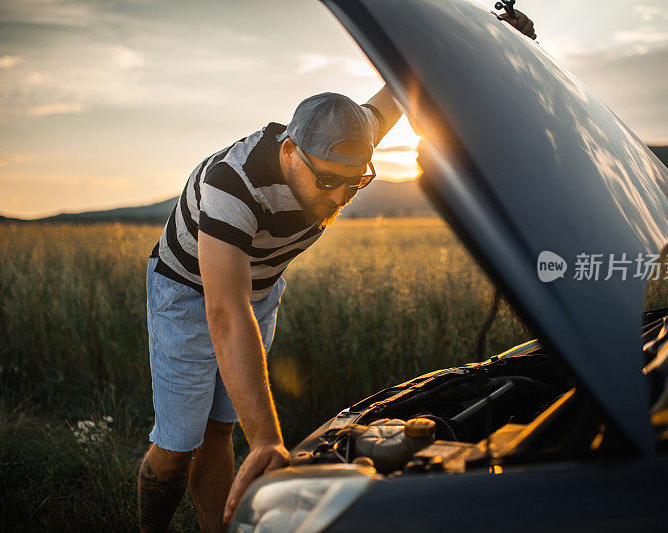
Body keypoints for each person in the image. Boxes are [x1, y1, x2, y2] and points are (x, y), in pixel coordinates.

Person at [138, 11, 536, 533]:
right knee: (176, 444)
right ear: (289, 151)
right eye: (326, 181)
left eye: (355, 185)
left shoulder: (351, 139)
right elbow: (224, 311)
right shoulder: (230, 185)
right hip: (189, 293)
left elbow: (405, 84)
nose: (337, 198)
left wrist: (490, 38)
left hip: (258, 291)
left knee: (218, 430)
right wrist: (268, 439)